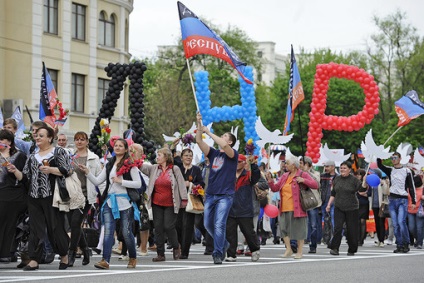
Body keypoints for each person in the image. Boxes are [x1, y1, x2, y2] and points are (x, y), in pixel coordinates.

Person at [9, 126, 70, 270]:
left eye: (41, 136)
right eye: (36, 136)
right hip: (34, 196)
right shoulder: (32, 156)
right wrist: (15, 170)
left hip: (52, 196)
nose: (37, 138)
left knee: (55, 228)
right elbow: (25, 177)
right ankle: (34, 259)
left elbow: (67, 170)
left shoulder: (58, 152)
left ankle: (64, 255)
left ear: (50, 138)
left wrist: (51, 170)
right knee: (35, 229)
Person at [80, 138, 141, 269]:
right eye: (116, 145)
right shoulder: (109, 164)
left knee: (126, 232)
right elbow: (97, 181)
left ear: (126, 149)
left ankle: (132, 257)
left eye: (120, 146)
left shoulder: (130, 164)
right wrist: (88, 172)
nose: (117, 147)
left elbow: (138, 183)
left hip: (125, 202)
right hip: (110, 202)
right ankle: (105, 260)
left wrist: (121, 181)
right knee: (108, 231)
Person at [195, 112, 238, 264]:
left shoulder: (232, 154)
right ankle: (224, 244)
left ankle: (218, 253)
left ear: (231, 142)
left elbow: (224, 145)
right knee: (207, 224)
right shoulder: (213, 153)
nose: (223, 137)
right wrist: (199, 125)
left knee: (219, 223)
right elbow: (199, 141)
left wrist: (209, 132)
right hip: (211, 193)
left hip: (225, 195)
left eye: (226, 135)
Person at [139, 148, 187, 262]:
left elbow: (181, 184)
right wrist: (136, 156)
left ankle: (176, 247)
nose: (157, 157)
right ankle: (160, 254)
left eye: (159, 155)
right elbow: (140, 166)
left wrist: (184, 199)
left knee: (168, 226)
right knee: (158, 228)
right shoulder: (154, 168)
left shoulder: (175, 169)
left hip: (171, 203)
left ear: (166, 157)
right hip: (156, 203)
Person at [267, 157, 319, 259]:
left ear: (294, 166)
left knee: (299, 230)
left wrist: (303, 180)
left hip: (297, 207)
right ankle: (289, 249)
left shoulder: (302, 174)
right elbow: (275, 188)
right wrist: (270, 181)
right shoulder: (285, 176)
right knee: (283, 229)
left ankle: (299, 251)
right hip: (284, 207)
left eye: (287, 163)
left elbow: (315, 185)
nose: (285, 165)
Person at [67, 131, 104, 267]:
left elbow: (99, 178)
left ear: (87, 141)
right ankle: (86, 249)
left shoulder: (93, 158)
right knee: (74, 224)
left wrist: (103, 194)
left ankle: (72, 253)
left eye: (82, 139)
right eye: (77, 139)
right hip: (71, 194)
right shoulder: (70, 156)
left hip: (86, 196)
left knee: (76, 222)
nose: (79, 142)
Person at [377, 152, 416, 253]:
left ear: (400, 158)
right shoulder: (390, 170)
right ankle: (399, 244)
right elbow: (380, 165)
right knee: (395, 224)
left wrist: (414, 200)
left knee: (401, 222)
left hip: (403, 199)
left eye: (395, 158)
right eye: (392, 158)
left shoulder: (407, 170)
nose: (393, 159)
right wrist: (379, 155)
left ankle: (406, 243)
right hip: (392, 200)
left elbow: (411, 186)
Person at [326, 161, 367, 256]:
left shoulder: (354, 180)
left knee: (351, 229)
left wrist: (364, 183)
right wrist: (329, 205)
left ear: (349, 169)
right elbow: (333, 193)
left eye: (344, 168)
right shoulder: (337, 179)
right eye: (341, 168)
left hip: (352, 208)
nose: (342, 170)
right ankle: (335, 248)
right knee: (338, 228)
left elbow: (361, 190)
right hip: (338, 206)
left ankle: (352, 249)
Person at [225, 154, 261, 262]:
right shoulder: (228, 175)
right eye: (235, 161)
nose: (237, 164)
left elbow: (256, 176)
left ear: (244, 163)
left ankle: (255, 250)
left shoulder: (248, 175)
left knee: (248, 232)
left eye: (239, 161)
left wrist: (253, 164)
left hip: (244, 209)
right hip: (230, 208)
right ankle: (231, 254)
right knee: (230, 232)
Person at [0, 129, 27, 262]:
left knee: (9, 224)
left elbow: (24, 178)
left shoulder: (19, 156)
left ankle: (7, 252)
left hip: (13, 194)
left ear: (9, 142)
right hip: (1, 192)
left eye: (2, 140)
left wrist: (14, 170)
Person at [174, 148, 205, 259]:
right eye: (186, 155)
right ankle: (178, 245)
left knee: (188, 226)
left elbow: (201, 182)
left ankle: (185, 251)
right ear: (182, 157)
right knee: (177, 225)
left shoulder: (196, 169)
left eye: (190, 155)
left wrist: (191, 184)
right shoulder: (177, 168)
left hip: (190, 200)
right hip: (178, 200)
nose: (188, 157)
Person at [301, 156, 321, 254]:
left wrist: (307, 173)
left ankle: (313, 245)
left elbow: (317, 183)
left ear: (308, 165)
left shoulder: (316, 173)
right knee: (303, 224)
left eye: (303, 163)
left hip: (313, 202)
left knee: (313, 225)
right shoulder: (298, 174)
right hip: (302, 202)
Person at [369, 169, 390, 247]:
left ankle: (382, 240)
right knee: (377, 223)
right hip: (374, 205)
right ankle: (378, 239)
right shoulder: (372, 183)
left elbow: (386, 192)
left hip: (381, 205)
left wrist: (383, 184)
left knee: (381, 222)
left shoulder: (382, 182)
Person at [320, 160, 338, 245]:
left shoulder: (338, 177)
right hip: (324, 201)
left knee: (334, 220)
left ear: (333, 167)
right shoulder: (322, 176)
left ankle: (334, 238)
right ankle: (325, 238)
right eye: (325, 166)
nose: (326, 168)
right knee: (325, 220)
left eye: (327, 166)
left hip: (334, 202)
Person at [354, 169, 371, 246]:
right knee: (356, 221)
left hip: (364, 203)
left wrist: (363, 193)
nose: (358, 176)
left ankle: (361, 239)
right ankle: (357, 238)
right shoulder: (354, 182)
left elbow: (369, 193)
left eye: (359, 174)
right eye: (357, 174)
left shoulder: (367, 183)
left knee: (362, 221)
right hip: (356, 203)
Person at [407, 173, 424, 249]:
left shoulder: (423, 189)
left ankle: (419, 242)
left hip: (419, 211)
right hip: (410, 210)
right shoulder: (409, 189)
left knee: (419, 228)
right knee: (411, 228)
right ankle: (418, 239)